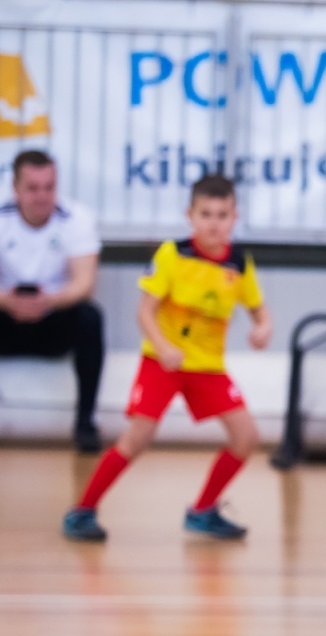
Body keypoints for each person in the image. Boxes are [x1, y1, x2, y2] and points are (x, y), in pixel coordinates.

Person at [60, 174, 271, 543]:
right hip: (162, 362)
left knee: (246, 436)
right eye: (205, 214)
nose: (214, 223)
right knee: (138, 437)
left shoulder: (238, 263)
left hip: (207, 367)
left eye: (222, 215)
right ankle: (83, 510)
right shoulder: (173, 255)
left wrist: (263, 328)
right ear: (190, 215)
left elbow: (258, 310)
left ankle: (203, 511)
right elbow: (144, 312)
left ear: (234, 217)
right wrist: (163, 346)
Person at [0, 149, 104, 452]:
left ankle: (86, 423)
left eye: (49, 187)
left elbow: (84, 284)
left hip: (53, 319)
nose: (42, 196)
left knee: (90, 317)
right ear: (15, 188)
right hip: (4, 318)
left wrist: (50, 301)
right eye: (33, 188)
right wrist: (5, 301)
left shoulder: (78, 218)